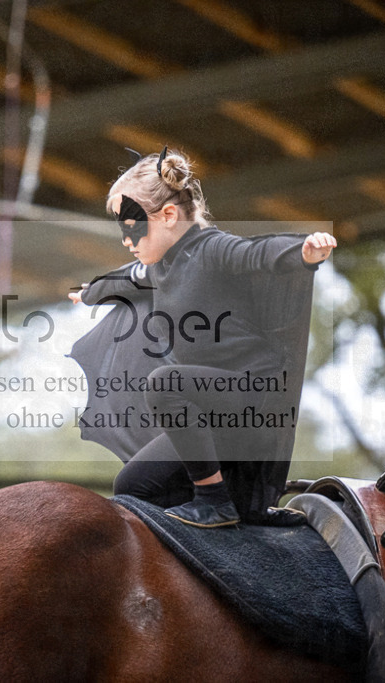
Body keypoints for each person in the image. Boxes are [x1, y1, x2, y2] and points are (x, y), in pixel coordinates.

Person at [69, 148, 336, 528]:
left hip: (254, 396)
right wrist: (90, 292)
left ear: (168, 215)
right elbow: (127, 278)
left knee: (164, 383)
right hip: (209, 408)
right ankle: (231, 514)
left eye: (131, 225)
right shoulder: (159, 267)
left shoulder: (212, 249)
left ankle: (215, 500)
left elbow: (256, 253)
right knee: (132, 485)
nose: (126, 238)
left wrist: (304, 253)